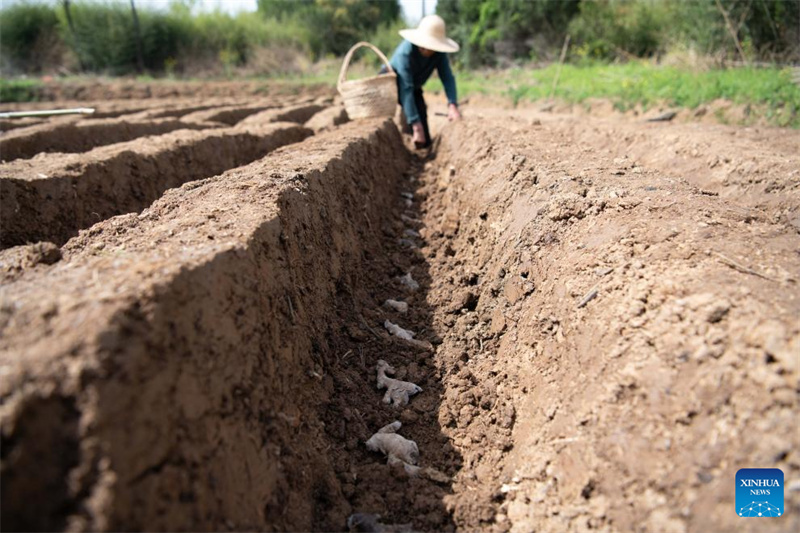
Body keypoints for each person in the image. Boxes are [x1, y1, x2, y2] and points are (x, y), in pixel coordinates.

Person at [389, 14, 462, 148]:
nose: (425, 49)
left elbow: (447, 78)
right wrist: (416, 126)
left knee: (425, 142)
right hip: (391, 84)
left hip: (414, 87)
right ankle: (406, 125)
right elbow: (406, 88)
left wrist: (453, 105)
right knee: (413, 124)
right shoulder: (405, 54)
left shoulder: (439, 54)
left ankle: (413, 128)